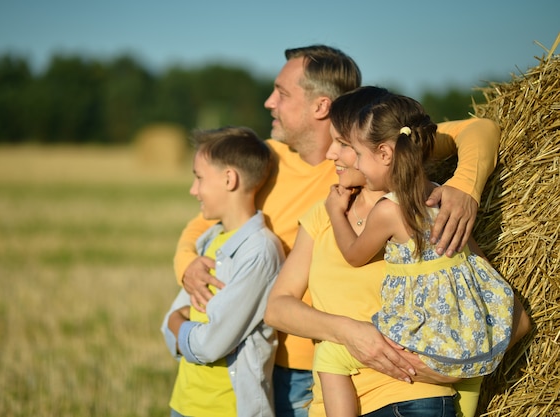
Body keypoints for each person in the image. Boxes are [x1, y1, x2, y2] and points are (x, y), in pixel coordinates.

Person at [174, 45, 502, 417]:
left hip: (406, 391)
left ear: (381, 152)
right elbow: (206, 222)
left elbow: (479, 129)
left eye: (282, 93)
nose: (269, 102)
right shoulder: (271, 165)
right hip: (307, 371)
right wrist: (187, 264)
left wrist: (464, 188)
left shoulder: (416, 197)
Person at [316, 87, 518, 417]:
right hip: (470, 338)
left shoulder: (387, 211)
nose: (347, 158)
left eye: (354, 151)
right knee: (468, 384)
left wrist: (336, 213)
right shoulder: (443, 198)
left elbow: (354, 255)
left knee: (330, 355)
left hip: (423, 337)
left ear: (383, 153)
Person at [161, 126, 286, 417]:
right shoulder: (210, 239)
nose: (194, 190)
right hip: (183, 404)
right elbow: (172, 319)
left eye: (199, 178)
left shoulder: (259, 252)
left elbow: (208, 343)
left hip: (227, 409)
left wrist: (177, 325)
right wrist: (176, 324)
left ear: (229, 179)